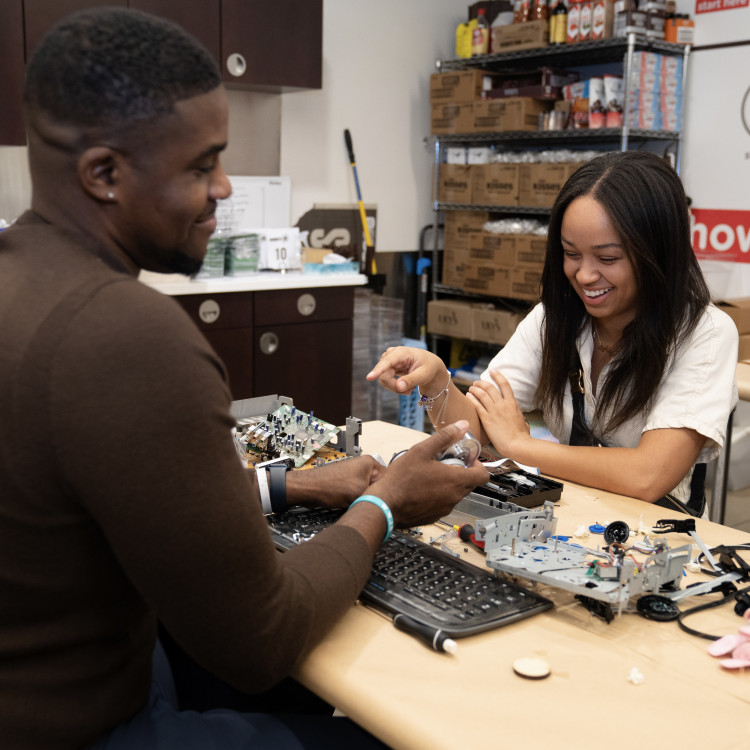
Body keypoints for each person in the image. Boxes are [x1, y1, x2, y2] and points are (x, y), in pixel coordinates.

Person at [0, 8, 489, 750]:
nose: (225, 187)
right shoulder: (125, 333)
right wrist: (385, 505)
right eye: (202, 166)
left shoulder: (19, 282)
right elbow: (262, 639)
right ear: (104, 174)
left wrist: (292, 486)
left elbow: (99, 497)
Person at [369, 151, 738, 516]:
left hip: (656, 534)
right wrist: (437, 381)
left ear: (659, 253)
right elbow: (477, 430)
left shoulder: (704, 333)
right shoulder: (555, 317)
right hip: (571, 519)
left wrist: (519, 445)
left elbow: (648, 475)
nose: (584, 275)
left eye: (607, 258)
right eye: (570, 253)